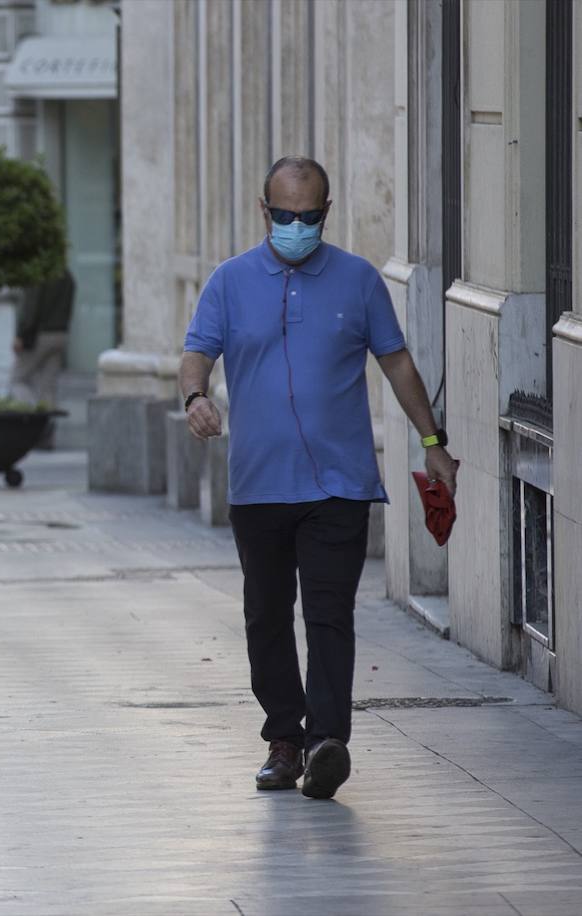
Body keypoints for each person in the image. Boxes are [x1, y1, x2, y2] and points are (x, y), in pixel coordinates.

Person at [180, 156, 457, 800]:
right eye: (284, 215)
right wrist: (196, 397)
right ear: (264, 210)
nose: (295, 225)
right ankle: (284, 738)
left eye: (307, 216)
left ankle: (327, 741)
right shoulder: (229, 281)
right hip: (260, 484)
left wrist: (433, 442)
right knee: (266, 616)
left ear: (326, 213)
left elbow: (398, 364)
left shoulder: (359, 282)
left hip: (339, 484)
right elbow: (197, 350)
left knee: (330, 612)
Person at [12, 270, 74, 448]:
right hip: (61, 333)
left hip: (41, 334)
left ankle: (35, 418)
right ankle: (47, 433)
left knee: (17, 379)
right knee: (48, 387)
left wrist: (21, 335)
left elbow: (31, 308)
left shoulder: (41, 275)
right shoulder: (68, 277)